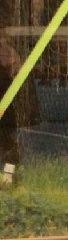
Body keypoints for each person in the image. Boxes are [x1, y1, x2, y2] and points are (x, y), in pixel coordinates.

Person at [0, 32, 22, 184]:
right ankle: (8, 177)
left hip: (5, 102)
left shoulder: (6, 49)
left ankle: (8, 177)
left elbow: (16, 65)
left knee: (8, 141)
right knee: (8, 141)